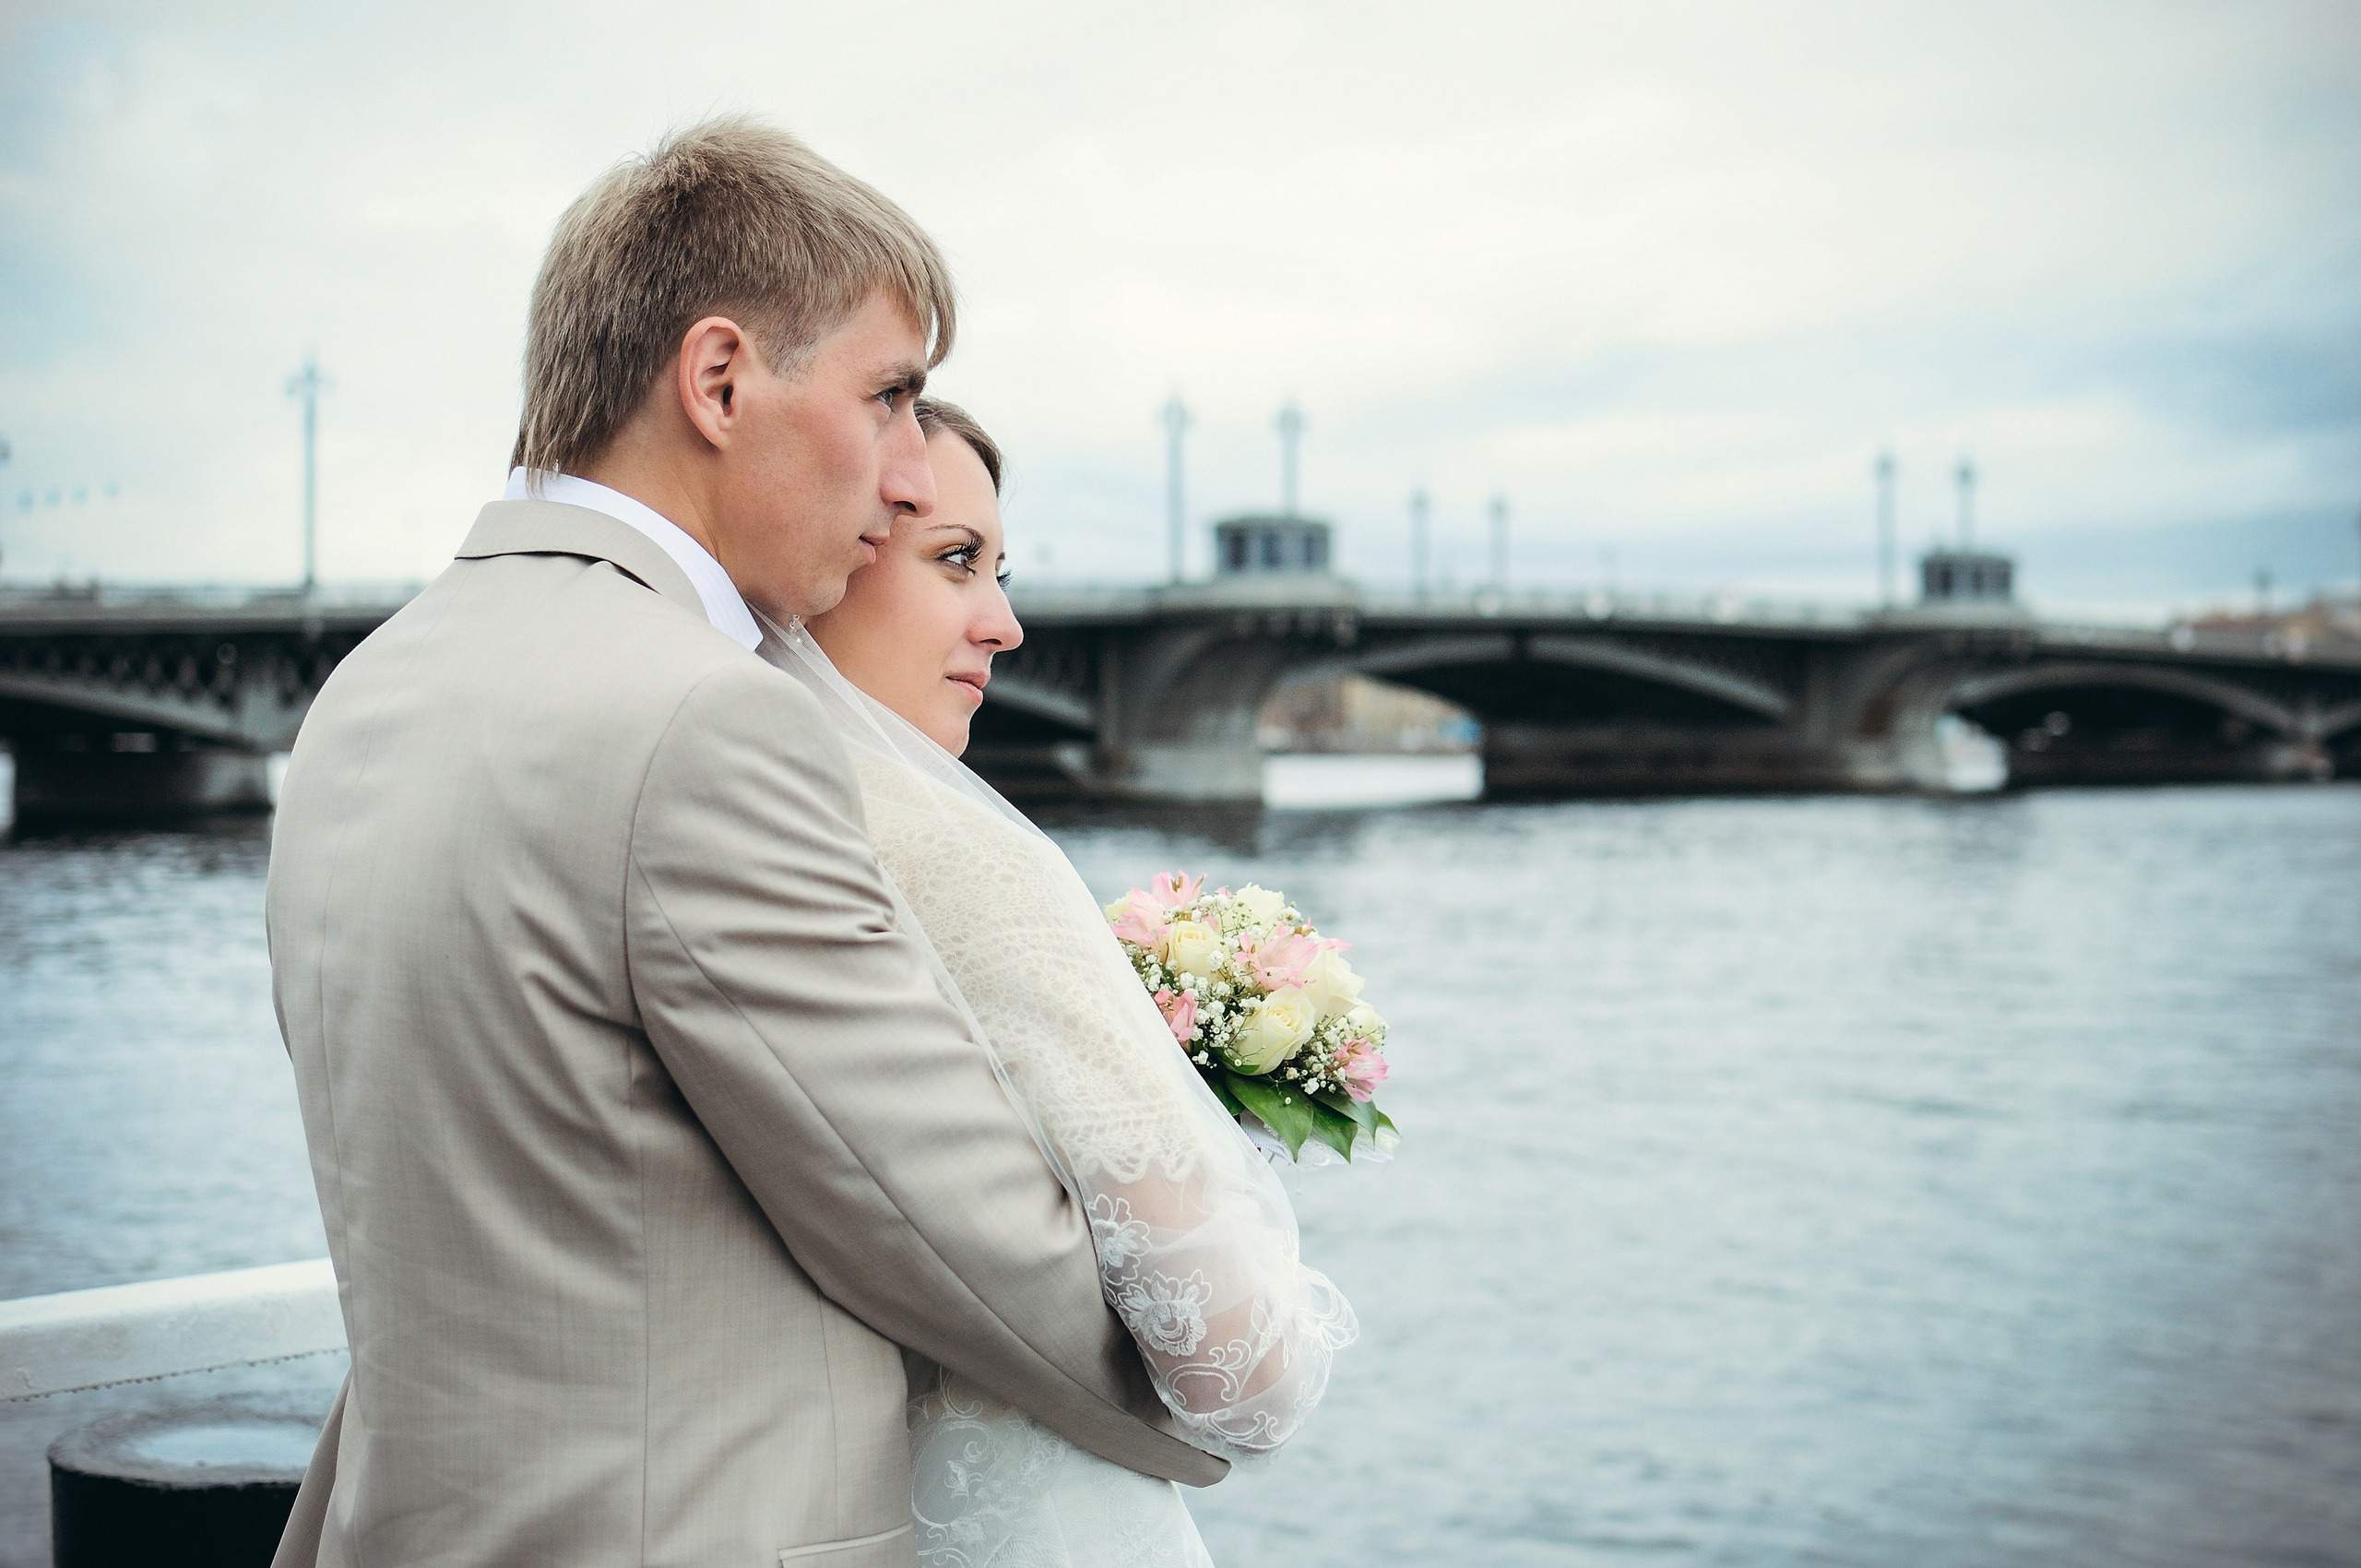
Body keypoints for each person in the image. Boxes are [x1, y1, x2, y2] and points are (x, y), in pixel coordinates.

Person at [266, 119, 1220, 1568]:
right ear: (718, 380)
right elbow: (953, 1235)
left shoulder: (365, 692)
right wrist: (1218, 1390)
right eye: (890, 398)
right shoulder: (704, 722)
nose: (913, 475)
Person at [774, 399, 1356, 1567]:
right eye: (954, 560)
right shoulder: (974, 868)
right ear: (825, 555)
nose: (1005, 625)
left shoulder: (750, 822)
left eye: (998, 571)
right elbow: (1243, 1377)